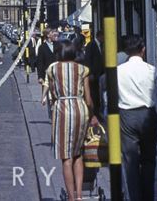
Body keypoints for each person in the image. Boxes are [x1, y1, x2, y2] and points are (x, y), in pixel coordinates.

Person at [117, 35, 157, 201]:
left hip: (126, 115)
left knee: (130, 160)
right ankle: (148, 196)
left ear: (126, 51)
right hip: (148, 115)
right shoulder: (152, 70)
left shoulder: (118, 71)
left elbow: (110, 96)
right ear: (143, 50)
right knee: (149, 160)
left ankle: (134, 196)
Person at [42, 40, 96, 201]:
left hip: (62, 108)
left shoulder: (52, 69)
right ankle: (79, 195)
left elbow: (52, 92)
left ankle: (71, 197)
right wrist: (92, 114)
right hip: (80, 108)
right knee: (78, 154)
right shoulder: (82, 70)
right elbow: (88, 98)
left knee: (66, 157)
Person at [83, 30, 103, 116]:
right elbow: (88, 60)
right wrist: (90, 73)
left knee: (97, 93)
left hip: (99, 74)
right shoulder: (91, 45)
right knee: (94, 94)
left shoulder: (100, 45)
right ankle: (94, 113)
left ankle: (97, 112)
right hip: (93, 74)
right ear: (100, 36)